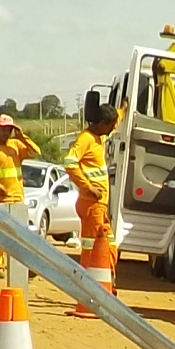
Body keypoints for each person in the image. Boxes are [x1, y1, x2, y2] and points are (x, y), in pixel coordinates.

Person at [0, 112, 39, 276]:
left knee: (20, 232)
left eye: (10, 129)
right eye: (4, 129)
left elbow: (35, 151)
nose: (7, 132)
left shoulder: (16, 145)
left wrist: (22, 135)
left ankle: (24, 264)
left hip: (17, 196)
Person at [64, 95, 116, 280]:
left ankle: (106, 283)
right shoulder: (86, 139)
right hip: (92, 203)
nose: (111, 131)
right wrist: (87, 187)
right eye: (110, 126)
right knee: (91, 246)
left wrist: (124, 109)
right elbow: (69, 163)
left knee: (108, 244)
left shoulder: (98, 136)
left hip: (98, 204)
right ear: (102, 123)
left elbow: (115, 123)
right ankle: (89, 285)